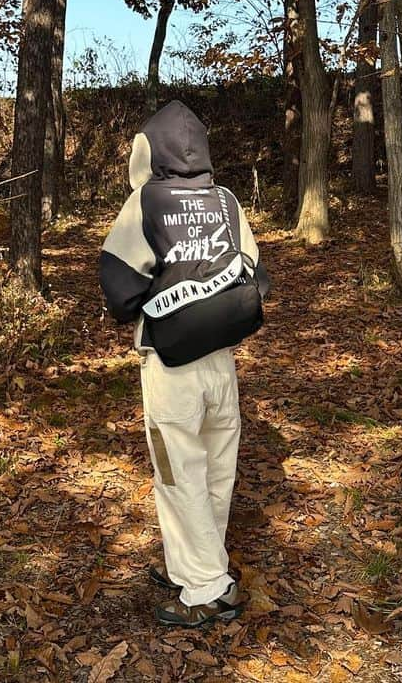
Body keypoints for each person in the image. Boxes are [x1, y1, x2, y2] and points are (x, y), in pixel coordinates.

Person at [99, 100, 270, 627]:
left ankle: (205, 590)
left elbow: (119, 287)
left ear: (146, 152)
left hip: (172, 367)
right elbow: (257, 278)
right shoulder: (226, 200)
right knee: (218, 465)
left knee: (178, 474)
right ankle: (198, 563)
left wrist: (166, 293)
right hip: (222, 359)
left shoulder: (146, 203)